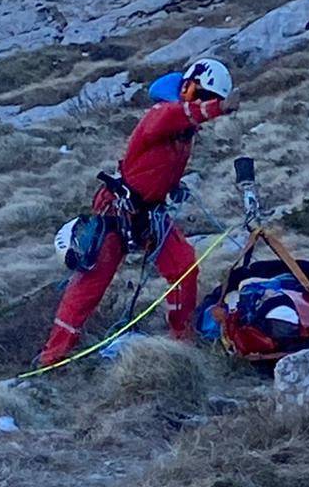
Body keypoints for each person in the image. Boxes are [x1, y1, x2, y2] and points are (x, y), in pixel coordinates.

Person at [37, 57, 237, 366]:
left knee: (184, 268)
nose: (204, 104)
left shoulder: (184, 129)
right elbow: (175, 115)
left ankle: (182, 342)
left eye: (210, 100)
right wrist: (217, 109)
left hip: (150, 214)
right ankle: (53, 357)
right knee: (89, 285)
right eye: (203, 96)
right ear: (188, 87)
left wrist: (170, 186)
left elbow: (160, 159)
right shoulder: (161, 114)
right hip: (117, 212)